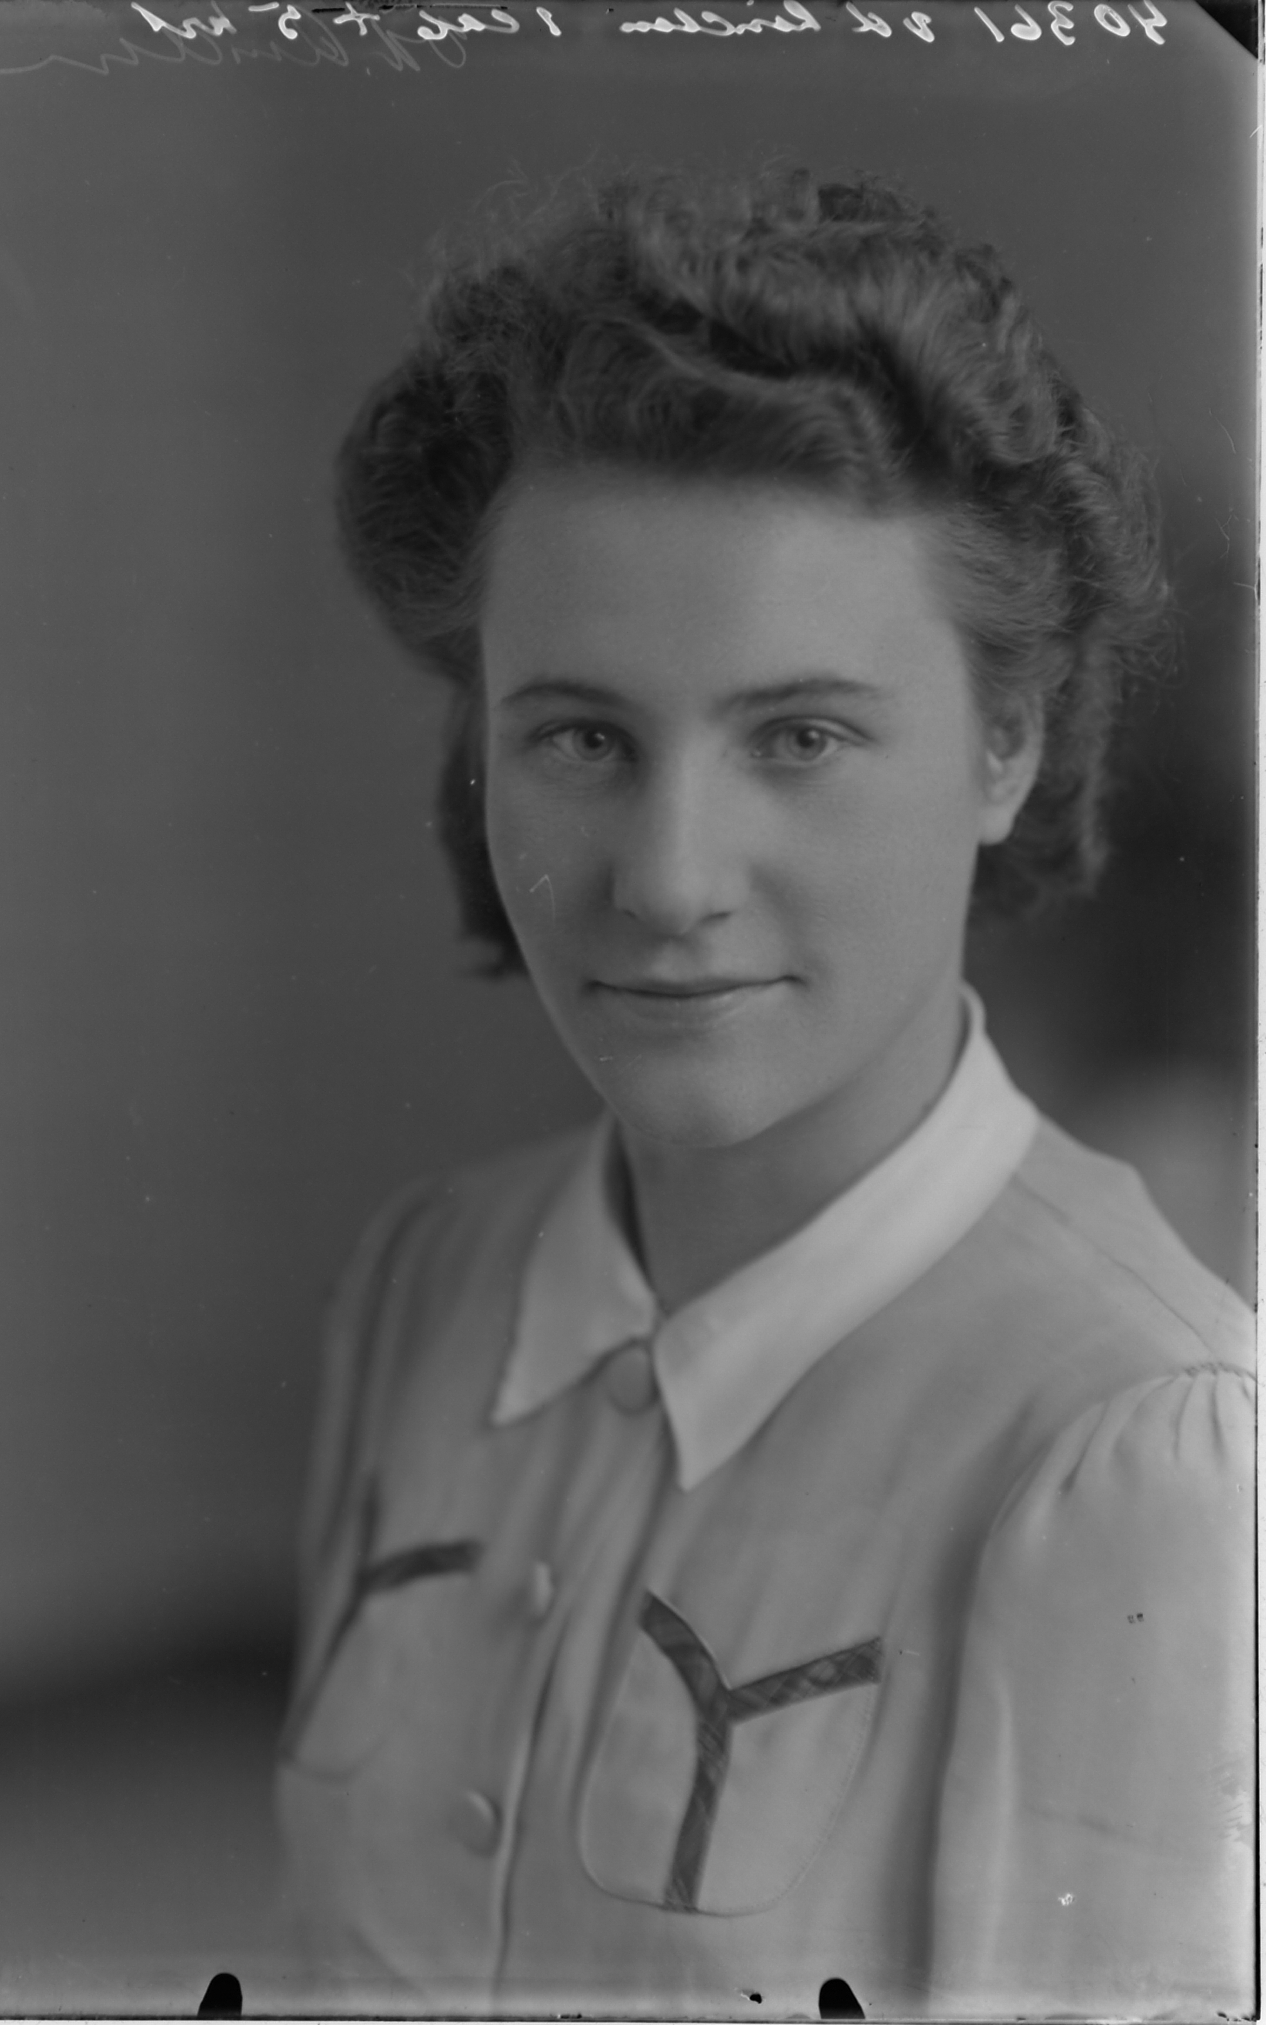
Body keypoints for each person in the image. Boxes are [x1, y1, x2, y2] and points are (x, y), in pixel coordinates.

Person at [272, 168, 1254, 2020]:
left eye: (799, 735)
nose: (666, 879)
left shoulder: (1132, 1450)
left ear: (1007, 743)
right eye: (581, 735)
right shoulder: (424, 1283)